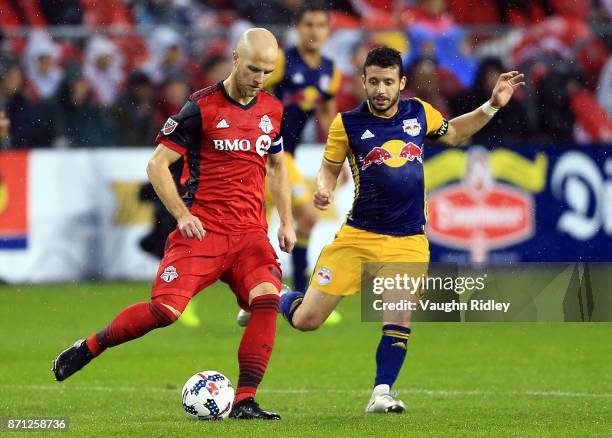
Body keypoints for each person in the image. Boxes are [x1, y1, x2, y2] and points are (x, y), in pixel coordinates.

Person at [52, 28, 296, 420]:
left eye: (267, 72)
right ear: (235, 58)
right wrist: (182, 215)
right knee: (164, 312)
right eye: (253, 69)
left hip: (250, 234)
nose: (259, 79)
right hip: (202, 232)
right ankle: (90, 347)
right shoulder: (201, 108)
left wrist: (286, 220)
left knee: (268, 299)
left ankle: (246, 400)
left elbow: (278, 164)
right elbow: (156, 165)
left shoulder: (272, 109)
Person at [278, 47, 524, 413]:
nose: (380, 89)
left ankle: (382, 392)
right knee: (306, 320)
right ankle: (278, 297)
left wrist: (491, 105)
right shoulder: (346, 123)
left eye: (388, 82)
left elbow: (455, 134)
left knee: (398, 315)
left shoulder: (418, 112)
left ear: (401, 83)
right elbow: (329, 167)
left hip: (407, 241)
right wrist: (324, 187)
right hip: (357, 238)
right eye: (373, 81)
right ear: (363, 82)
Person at [264, 0, 340, 293]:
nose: (315, 31)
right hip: (264, 153)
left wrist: (340, 161)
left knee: (301, 220)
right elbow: (254, 92)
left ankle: (290, 294)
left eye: (321, 25)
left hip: (285, 157)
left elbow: (328, 117)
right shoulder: (283, 61)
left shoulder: (330, 71)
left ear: (328, 31)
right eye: (309, 24)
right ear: (297, 27)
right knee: (295, 220)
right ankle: (288, 293)